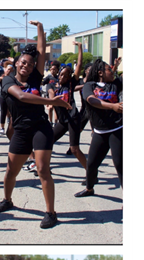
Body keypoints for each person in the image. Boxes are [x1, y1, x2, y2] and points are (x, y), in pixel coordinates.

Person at [0, 21, 71, 229]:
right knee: (11, 171)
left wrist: (40, 28)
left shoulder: (36, 77)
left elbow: (40, 50)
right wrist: (51, 102)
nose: (26, 66)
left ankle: (51, 213)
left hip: (40, 128)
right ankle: (8, 200)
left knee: (43, 169)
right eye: (23, 63)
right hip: (20, 130)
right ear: (17, 63)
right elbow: (21, 96)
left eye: (30, 63)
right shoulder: (8, 81)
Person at [76, 56, 123, 199]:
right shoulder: (89, 85)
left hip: (117, 129)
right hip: (100, 132)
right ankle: (89, 188)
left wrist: (116, 66)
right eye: (109, 70)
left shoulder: (117, 83)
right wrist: (112, 106)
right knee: (91, 164)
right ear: (100, 73)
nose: (112, 72)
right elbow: (91, 100)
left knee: (120, 164)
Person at [47, 43, 88, 179]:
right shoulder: (52, 84)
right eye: (62, 75)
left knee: (75, 149)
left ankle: (91, 173)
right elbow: (51, 94)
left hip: (73, 119)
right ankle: (45, 168)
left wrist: (80, 48)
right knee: (48, 141)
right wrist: (51, 103)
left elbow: (80, 65)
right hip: (63, 121)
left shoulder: (70, 84)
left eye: (66, 76)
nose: (63, 77)